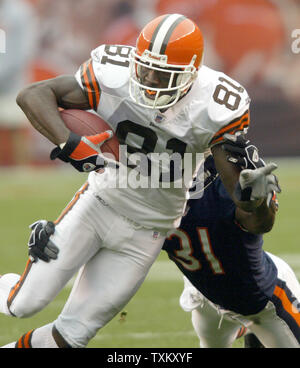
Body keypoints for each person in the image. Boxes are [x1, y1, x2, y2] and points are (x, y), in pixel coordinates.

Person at [0, 14, 279, 348]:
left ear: (190, 74)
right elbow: (33, 94)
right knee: (22, 304)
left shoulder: (215, 105)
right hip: (99, 204)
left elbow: (243, 199)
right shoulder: (114, 74)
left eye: (162, 75)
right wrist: (70, 143)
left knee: (72, 335)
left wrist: (252, 198)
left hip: (149, 231)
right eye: (145, 68)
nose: (149, 79)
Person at [163, 137, 300, 348]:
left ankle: (253, 328)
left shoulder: (228, 173)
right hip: (204, 292)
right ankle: (246, 327)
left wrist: (258, 202)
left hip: (260, 299)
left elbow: (260, 223)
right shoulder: (150, 182)